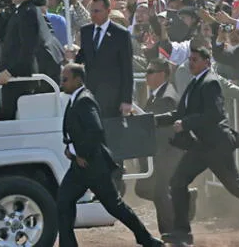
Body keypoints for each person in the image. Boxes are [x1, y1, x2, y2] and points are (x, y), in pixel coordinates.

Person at [58, 63, 164, 247]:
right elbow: (75, 131)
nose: (62, 83)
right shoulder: (75, 99)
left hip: (93, 166)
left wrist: (82, 154)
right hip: (79, 166)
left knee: (115, 206)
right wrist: (70, 149)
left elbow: (96, 131)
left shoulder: (84, 100)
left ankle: (146, 239)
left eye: (65, 79)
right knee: (63, 201)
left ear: (78, 80)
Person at [154, 47, 239, 246]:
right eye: (189, 59)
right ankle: (181, 233)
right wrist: (153, 120)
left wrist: (186, 124)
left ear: (206, 61)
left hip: (217, 146)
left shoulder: (211, 82)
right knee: (177, 181)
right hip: (202, 147)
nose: (190, 63)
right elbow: (179, 113)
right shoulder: (196, 83)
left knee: (237, 187)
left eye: (195, 59)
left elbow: (214, 114)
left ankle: (181, 232)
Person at [136, 58, 195, 238]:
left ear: (162, 74)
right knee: (148, 190)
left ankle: (171, 231)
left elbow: (166, 131)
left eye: (150, 71)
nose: (146, 76)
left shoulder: (167, 97)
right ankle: (186, 201)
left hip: (168, 152)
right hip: (160, 153)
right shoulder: (156, 94)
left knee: (161, 191)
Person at [0, 0, 60, 119]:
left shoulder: (29, 12)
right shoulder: (20, 10)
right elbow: (5, 36)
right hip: (13, 78)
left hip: (19, 79)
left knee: (12, 121)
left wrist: (11, 72)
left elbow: (28, 48)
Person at [73, 0, 133, 118]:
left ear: (108, 11)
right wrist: (72, 58)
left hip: (112, 97)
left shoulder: (121, 34)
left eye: (97, 11)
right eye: (91, 11)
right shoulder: (86, 31)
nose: (93, 14)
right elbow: (83, 56)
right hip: (90, 93)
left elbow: (127, 68)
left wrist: (126, 100)